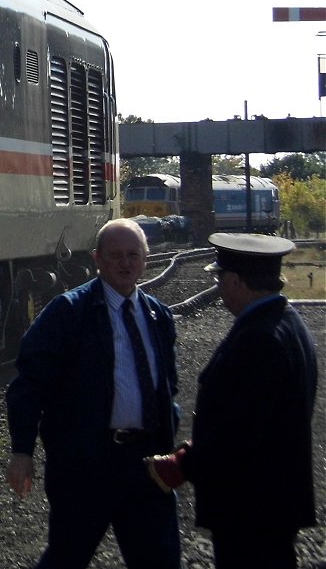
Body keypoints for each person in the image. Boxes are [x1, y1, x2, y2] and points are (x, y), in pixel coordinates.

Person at [5, 218, 180, 569]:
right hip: (86, 466)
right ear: (98, 259)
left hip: (146, 466)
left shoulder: (158, 316)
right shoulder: (69, 312)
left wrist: (167, 444)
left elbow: (167, 386)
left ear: (145, 259)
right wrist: (22, 450)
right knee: (67, 557)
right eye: (116, 255)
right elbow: (29, 384)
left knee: (159, 560)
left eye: (133, 254)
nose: (125, 263)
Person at [145, 232, 318, 569]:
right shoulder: (288, 323)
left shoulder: (258, 339)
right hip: (273, 498)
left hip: (251, 503)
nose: (219, 286)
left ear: (237, 281)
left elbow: (242, 432)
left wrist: (182, 465)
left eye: (220, 277)